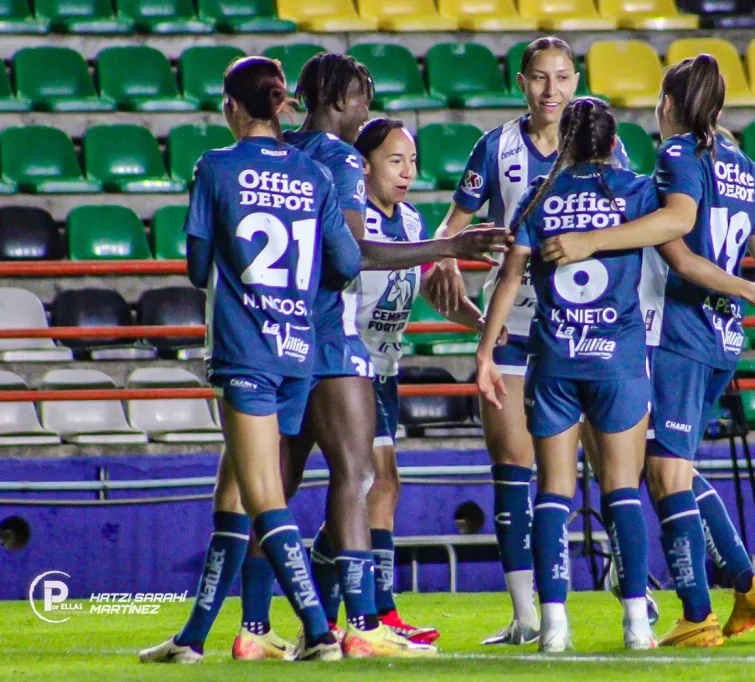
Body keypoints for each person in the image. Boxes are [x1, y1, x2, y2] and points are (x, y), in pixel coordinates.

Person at [233, 53, 508, 659]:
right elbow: (355, 253)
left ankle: (253, 630)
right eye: (361, 98)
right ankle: (362, 621)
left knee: (275, 485)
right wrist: (451, 243)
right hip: (331, 336)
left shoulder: (277, 153)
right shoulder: (341, 159)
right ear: (337, 98)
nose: (366, 109)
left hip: (272, 333)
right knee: (357, 476)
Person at [540, 54, 755, 647]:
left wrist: (590, 240)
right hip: (725, 335)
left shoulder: (677, 155)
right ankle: (744, 581)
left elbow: (677, 235)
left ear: (667, 105)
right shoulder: (744, 165)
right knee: (670, 460)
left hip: (681, 330)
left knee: (662, 472)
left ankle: (696, 613)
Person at [427, 36, 652, 646]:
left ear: (575, 83)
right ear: (521, 82)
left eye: (561, 78)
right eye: (539, 78)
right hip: (522, 326)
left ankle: (628, 588)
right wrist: (443, 258)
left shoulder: (605, 153)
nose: (550, 90)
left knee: (604, 469)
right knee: (513, 465)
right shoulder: (497, 147)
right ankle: (529, 613)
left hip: (565, 326)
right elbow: (455, 223)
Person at [139, 56, 362, 664]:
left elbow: (195, 266)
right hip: (298, 352)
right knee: (234, 493)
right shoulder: (315, 175)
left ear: (232, 107)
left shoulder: (215, 166)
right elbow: (345, 265)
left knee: (263, 493)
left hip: (244, 350)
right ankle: (191, 639)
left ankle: (318, 631)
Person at [477, 97, 662, 653]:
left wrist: (487, 351)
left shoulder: (541, 198)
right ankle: (636, 623)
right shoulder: (636, 192)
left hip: (555, 358)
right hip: (618, 360)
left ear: (566, 145)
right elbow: (678, 225)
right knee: (621, 491)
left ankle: (553, 625)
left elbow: (509, 281)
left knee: (553, 491)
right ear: (611, 144)